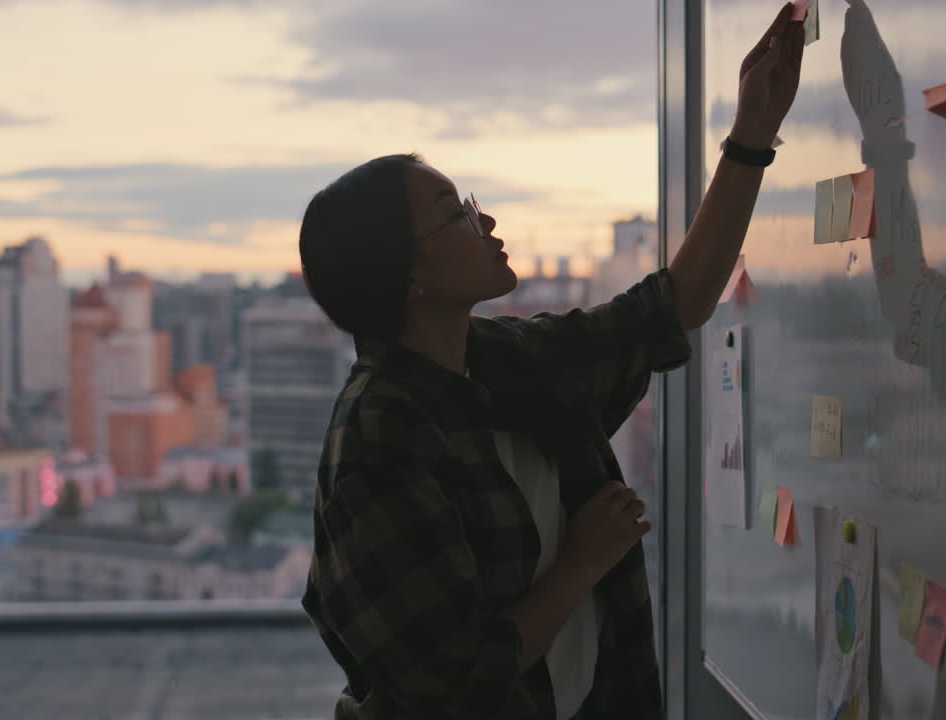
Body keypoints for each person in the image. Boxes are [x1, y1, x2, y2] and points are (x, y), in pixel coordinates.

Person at [298, 4, 804, 718]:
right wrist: (583, 563)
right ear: (408, 273)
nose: (487, 221)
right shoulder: (380, 439)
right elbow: (453, 684)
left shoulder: (510, 362)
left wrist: (751, 135)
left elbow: (676, 305)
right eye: (457, 213)